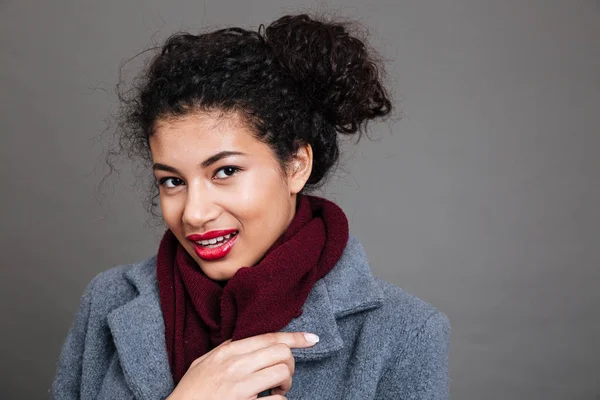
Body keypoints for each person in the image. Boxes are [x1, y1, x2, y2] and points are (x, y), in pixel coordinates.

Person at [52, 14, 450, 400]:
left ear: (296, 165)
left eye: (225, 171)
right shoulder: (107, 299)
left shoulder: (405, 332)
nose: (193, 213)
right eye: (172, 181)